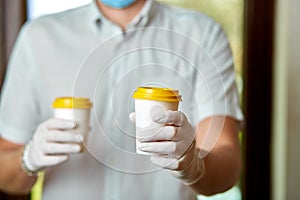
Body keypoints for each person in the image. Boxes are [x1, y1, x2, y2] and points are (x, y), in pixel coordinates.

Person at [0, 0, 244, 199]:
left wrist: (194, 165)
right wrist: (28, 157)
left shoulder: (203, 36)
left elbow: (227, 164)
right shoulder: (38, 37)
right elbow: (5, 174)